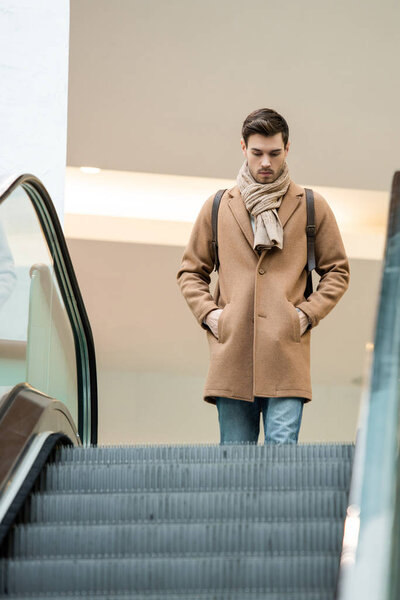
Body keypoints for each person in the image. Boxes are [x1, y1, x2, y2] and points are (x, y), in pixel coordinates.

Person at [177, 108, 350, 445]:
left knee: (280, 460)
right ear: (243, 148)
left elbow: (338, 271)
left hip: (286, 355)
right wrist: (212, 316)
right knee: (235, 464)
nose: (265, 162)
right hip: (232, 356)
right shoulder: (218, 206)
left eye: (274, 153)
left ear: (287, 149)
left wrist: (304, 315)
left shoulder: (313, 205)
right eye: (257, 153)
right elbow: (190, 271)